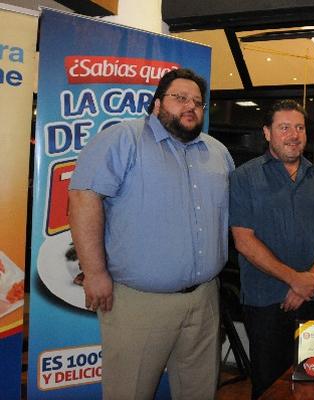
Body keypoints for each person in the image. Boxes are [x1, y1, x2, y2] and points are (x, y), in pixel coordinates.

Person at [68, 68, 234, 400]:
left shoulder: (217, 152)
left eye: (198, 102)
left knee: (199, 392)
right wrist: (96, 272)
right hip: (138, 303)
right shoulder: (122, 139)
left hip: (204, 300)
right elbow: (83, 197)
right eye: (180, 98)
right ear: (157, 104)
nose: (190, 107)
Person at [229, 99, 314, 399]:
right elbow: (244, 240)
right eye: (284, 128)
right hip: (265, 302)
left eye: (299, 128)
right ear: (267, 132)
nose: (293, 135)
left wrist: (309, 279)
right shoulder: (244, 177)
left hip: (312, 298)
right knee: (268, 385)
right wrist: (294, 279)